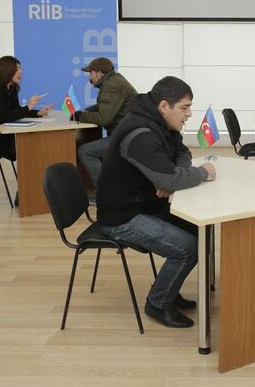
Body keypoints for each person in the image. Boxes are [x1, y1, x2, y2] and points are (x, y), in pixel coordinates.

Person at [97, 76, 216, 328]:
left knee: (198, 231)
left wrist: (169, 177)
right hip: (121, 217)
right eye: (184, 107)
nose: (189, 114)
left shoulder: (160, 122)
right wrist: (201, 173)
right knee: (189, 248)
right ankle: (158, 303)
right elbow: (170, 178)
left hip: (144, 204)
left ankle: (168, 288)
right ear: (164, 106)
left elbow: (182, 152)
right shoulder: (141, 133)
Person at [73, 57, 137, 190]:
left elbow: (104, 118)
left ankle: (105, 192)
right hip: (127, 133)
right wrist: (87, 111)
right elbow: (104, 106)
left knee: (85, 152)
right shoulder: (114, 81)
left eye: (90, 73)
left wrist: (79, 116)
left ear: (100, 73)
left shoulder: (111, 86)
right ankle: (111, 187)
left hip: (125, 137)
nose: (89, 76)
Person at [0, 55, 52, 160]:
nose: (21, 72)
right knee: (32, 147)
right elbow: (5, 117)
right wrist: (29, 106)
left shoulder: (12, 88)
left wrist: (38, 113)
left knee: (34, 145)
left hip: (6, 136)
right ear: (6, 71)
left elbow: (16, 112)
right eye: (17, 69)